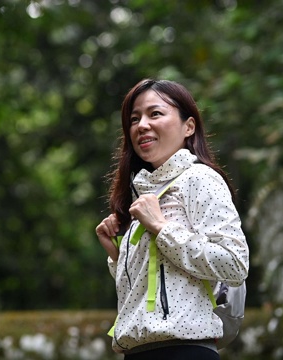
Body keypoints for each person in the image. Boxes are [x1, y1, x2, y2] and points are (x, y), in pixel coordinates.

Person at [95, 78, 249, 359]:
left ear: (188, 126)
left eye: (155, 114)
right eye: (134, 118)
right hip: (138, 352)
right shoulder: (142, 195)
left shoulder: (200, 179)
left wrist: (160, 227)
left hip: (184, 351)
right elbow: (159, 287)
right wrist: (117, 256)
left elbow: (235, 263)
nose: (142, 125)